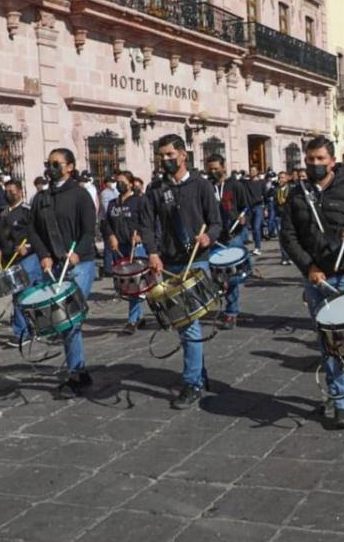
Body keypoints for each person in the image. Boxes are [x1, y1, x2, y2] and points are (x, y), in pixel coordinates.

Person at [280, 137, 344, 429]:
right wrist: (308, 267)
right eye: (310, 160)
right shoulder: (297, 194)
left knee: (342, 339)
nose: (315, 164)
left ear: (332, 161)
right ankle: (336, 391)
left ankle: (341, 400)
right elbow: (288, 236)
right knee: (325, 337)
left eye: (320, 159)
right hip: (316, 276)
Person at [138, 134, 221, 409]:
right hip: (170, 262)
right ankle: (199, 373)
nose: (165, 160)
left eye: (170, 155)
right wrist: (151, 252)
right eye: (162, 155)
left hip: (196, 261)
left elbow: (216, 222)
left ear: (184, 155)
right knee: (185, 324)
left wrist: (208, 236)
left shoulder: (201, 185)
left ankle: (192, 382)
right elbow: (147, 224)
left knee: (188, 324)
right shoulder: (156, 189)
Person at [29, 149, 99, 395]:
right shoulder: (41, 198)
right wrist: (44, 255)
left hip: (80, 263)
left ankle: (76, 373)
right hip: (54, 264)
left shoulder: (80, 194)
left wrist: (78, 252)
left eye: (57, 163)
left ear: (70, 166)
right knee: (64, 322)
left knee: (70, 320)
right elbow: (34, 231)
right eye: (49, 163)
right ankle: (79, 370)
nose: (52, 167)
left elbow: (89, 229)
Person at [0, 178, 40, 344]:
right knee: (19, 296)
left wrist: (30, 246)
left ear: (20, 192)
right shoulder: (0, 214)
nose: (9, 194)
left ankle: (27, 331)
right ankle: (25, 331)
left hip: (28, 258)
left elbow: (39, 233)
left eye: (12, 191)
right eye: (7, 191)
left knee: (24, 294)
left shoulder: (28, 211)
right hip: (9, 260)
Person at [204, 156, 250, 330]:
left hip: (232, 236)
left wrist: (243, 217)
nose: (213, 172)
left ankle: (231, 313)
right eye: (210, 169)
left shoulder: (235, 185)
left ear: (224, 168)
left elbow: (246, 206)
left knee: (230, 277)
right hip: (214, 237)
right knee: (215, 276)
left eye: (216, 168)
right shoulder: (207, 187)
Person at [101, 171, 147, 335]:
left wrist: (140, 234)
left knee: (134, 283)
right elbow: (106, 223)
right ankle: (140, 316)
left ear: (130, 183)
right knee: (126, 285)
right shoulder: (113, 203)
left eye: (122, 181)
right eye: (117, 181)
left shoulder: (139, 201)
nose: (118, 184)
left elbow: (147, 221)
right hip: (119, 248)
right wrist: (111, 236)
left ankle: (132, 320)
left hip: (135, 247)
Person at [245, 165, 266, 254]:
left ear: (257, 172)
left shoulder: (261, 182)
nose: (252, 172)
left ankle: (257, 247)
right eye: (250, 170)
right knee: (253, 228)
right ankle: (255, 244)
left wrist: (266, 208)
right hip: (249, 207)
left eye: (253, 170)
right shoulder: (246, 183)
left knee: (257, 227)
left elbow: (265, 195)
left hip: (259, 207)